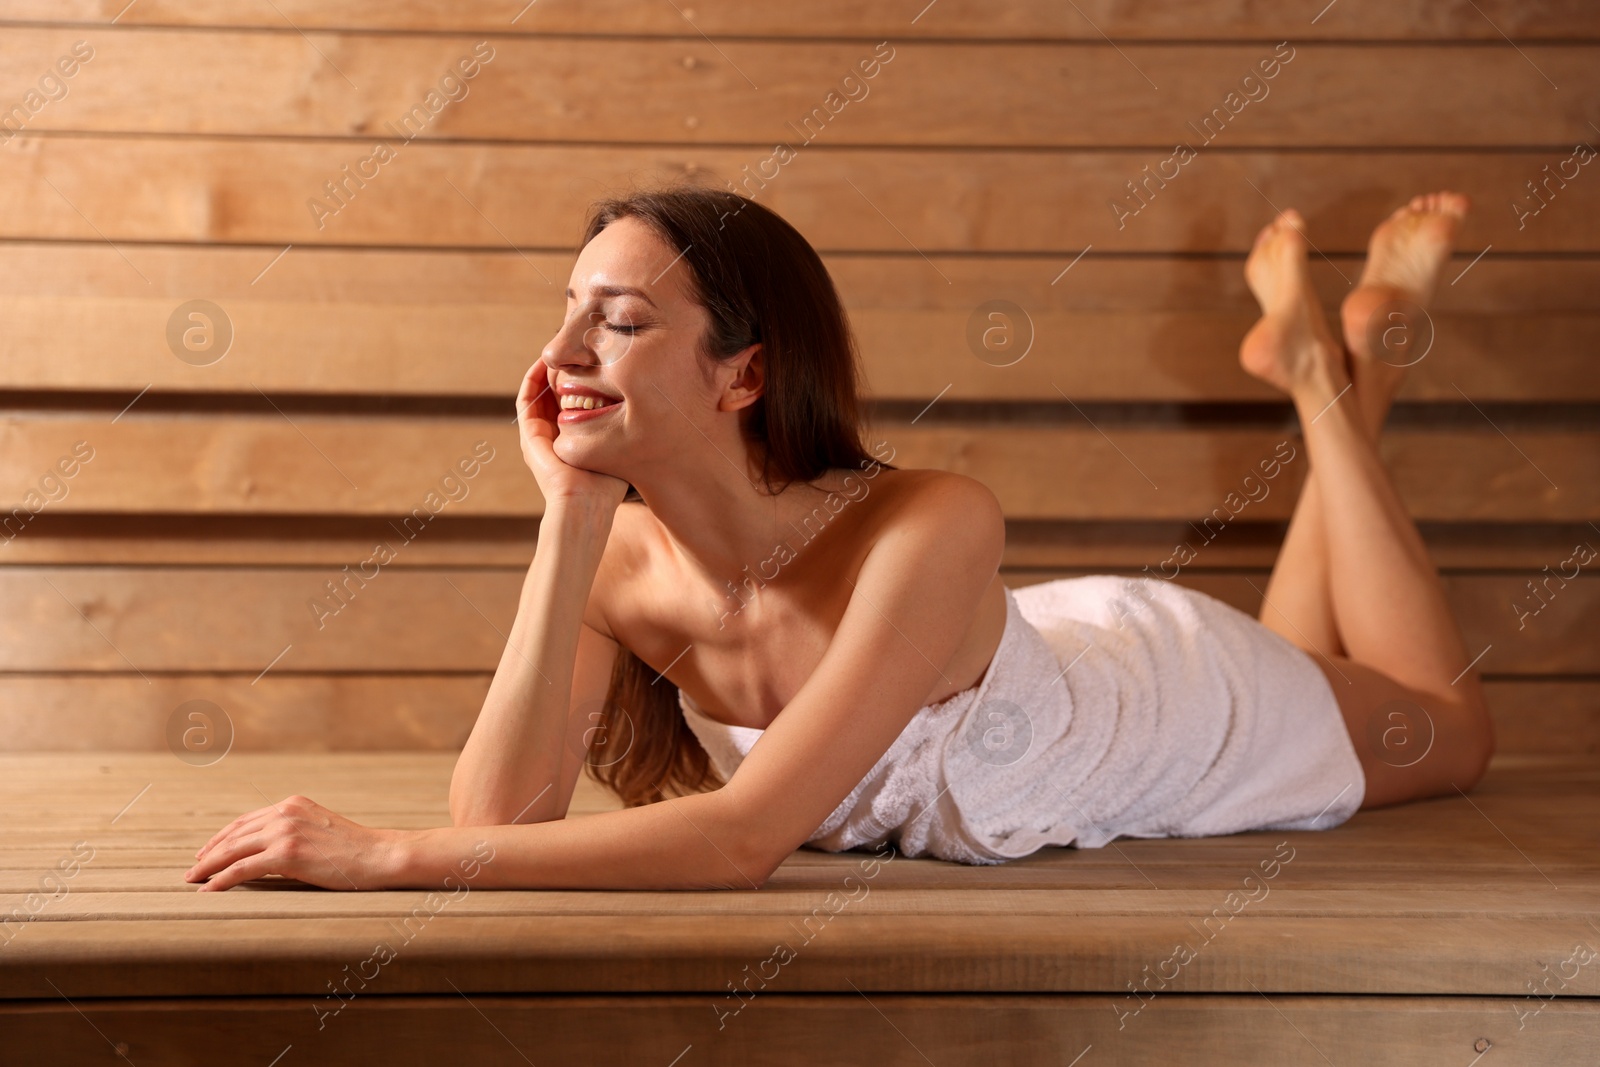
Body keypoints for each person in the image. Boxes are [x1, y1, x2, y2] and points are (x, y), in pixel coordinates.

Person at [185, 187, 1493, 891]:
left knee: (1450, 729)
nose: (564, 354)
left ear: (742, 376)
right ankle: (1344, 370)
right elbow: (503, 818)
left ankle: (1325, 383)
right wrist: (573, 517)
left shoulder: (929, 523)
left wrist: (382, 857)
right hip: (1070, 659)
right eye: (566, 312)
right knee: (1334, 658)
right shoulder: (615, 567)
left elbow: (743, 839)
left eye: (622, 321)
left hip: (1168, 708)